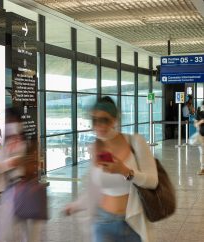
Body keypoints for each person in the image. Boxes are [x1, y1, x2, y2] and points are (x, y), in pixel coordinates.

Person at [64, 96, 158, 242]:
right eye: (95, 120)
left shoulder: (135, 141)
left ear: (115, 120)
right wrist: (75, 205)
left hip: (132, 223)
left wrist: (125, 171)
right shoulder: (95, 148)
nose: (99, 126)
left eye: (105, 120)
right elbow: (94, 190)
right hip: (103, 223)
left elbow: (153, 181)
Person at [0, 107, 43, 242]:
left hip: (30, 191)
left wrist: (24, 162)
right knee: (4, 235)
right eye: (8, 122)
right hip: (11, 191)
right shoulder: (2, 145)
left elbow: (35, 164)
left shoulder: (29, 142)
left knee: (32, 237)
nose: (11, 125)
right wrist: (12, 163)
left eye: (13, 121)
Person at [190, 101, 204, 175]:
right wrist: (201, 121)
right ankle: (202, 169)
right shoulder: (199, 113)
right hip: (201, 135)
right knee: (202, 153)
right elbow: (195, 124)